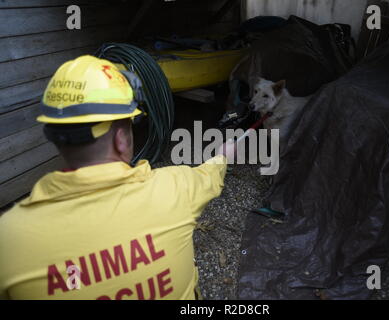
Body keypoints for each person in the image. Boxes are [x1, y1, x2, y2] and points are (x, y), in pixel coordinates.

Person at [0, 55, 235, 300]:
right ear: (120, 138)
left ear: (56, 138)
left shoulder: (10, 235)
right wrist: (223, 155)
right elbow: (210, 175)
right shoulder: (176, 188)